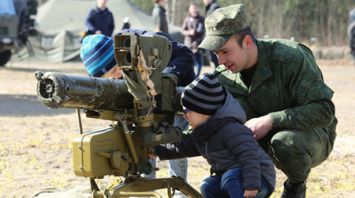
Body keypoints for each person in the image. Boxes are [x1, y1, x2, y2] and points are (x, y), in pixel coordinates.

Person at [198, 4, 337, 198]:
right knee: (215, 189)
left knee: (285, 142)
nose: (220, 61)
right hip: (256, 143)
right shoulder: (224, 78)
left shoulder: (290, 57)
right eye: (216, 54)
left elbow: (324, 111)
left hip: (309, 135)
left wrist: (270, 120)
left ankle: (296, 185)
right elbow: (210, 125)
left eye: (225, 52)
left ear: (247, 42)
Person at [79, 30, 196, 188]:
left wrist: (168, 78)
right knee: (143, 144)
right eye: (109, 76)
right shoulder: (114, 73)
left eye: (116, 69)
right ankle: (145, 188)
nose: (117, 76)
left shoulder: (142, 44)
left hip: (176, 97)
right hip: (146, 99)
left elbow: (184, 53)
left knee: (173, 147)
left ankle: (179, 189)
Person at [151, 73, 276, 198]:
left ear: (204, 111)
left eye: (187, 111)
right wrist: (156, 151)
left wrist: (252, 186)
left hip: (259, 178)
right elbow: (181, 148)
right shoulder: (202, 132)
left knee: (230, 178)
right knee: (208, 186)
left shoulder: (231, 128)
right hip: (233, 179)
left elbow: (249, 157)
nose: (184, 116)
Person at [182, 3, 205, 76]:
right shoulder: (187, 19)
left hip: (197, 44)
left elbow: (202, 31)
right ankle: (189, 77)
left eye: (195, 8)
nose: (194, 10)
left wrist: (195, 32)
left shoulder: (201, 19)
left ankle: (196, 77)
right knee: (189, 62)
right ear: (190, 10)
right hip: (188, 44)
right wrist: (189, 32)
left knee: (198, 63)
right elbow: (183, 30)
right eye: (192, 8)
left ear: (198, 9)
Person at [202, 0, 220, 69]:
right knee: (212, 60)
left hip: (213, 39)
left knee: (215, 60)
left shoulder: (215, 7)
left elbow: (216, 23)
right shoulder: (209, 7)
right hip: (210, 37)